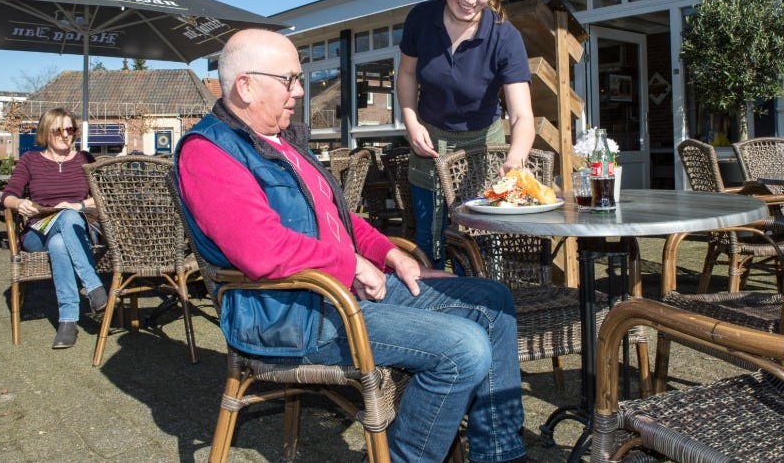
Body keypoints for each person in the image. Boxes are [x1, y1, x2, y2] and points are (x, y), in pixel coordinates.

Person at [175, 29, 531, 463]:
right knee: (464, 348)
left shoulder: (286, 144)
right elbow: (261, 251)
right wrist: (351, 265)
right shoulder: (209, 152)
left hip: (339, 292)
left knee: (492, 303)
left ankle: (498, 453)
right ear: (245, 86)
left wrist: (390, 255)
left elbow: (342, 221)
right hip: (293, 315)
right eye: (288, 80)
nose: (300, 90)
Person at [396, 0, 535, 268]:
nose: (471, 0)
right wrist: (411, 121)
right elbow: (406, 75)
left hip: (482, 145)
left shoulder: (506, 37)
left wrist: (515, 158)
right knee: (430, 243)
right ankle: (433, 314)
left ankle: (476, 314)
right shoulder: (420, 19)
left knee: (477, 246)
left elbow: (521, 114)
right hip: (429, 143)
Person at [2, 108, 106, 349]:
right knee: (64, 221)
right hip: (39, 229)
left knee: (62, 235)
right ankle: (93, 286)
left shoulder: (84, 160)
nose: (65, 135)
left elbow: (102, 197)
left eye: (70, 129)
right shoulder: (30, 160)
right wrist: (20, 203)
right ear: (45, 132)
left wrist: (77, 205)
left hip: (78, 228)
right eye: (58, 130)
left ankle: (67, 321)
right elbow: (7, 197)